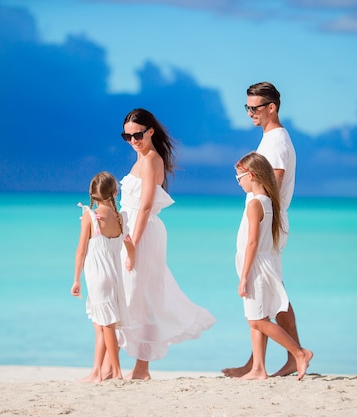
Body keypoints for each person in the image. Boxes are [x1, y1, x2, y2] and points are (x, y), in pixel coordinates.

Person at [118, 108, 216, 380]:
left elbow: (146, 206)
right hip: (129, 232)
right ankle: (119, 365)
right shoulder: (140, 159)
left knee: (143, 296)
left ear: (150, 131)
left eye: (137, 134)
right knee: (129, 296)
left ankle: (141, 368)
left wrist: (132, 246)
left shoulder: (151, 160)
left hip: (143, 233)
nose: (134, 140)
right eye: (127, 137)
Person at [222, 81, 302, 378]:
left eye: (255, 108)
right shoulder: (270, 138)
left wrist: (260, 214)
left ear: (272, 107)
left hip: (267, 221)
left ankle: (294, 354)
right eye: (247, 108)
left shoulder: (277, 141)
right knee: (265, 291)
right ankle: (257, 363)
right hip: (265, 217)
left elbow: (274, 183)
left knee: (269, 290)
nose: (250, 114)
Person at [233, 151, 312, 380]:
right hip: (266, 262)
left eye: (240, 177)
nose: (239, 182)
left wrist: (244, 276)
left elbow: (252, 242)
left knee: (257, 320)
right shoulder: (269, 202)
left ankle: (299, 353)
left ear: (252, 175)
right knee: (258, 316)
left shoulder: (255, 204)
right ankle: (259, 369)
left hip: (257, 265)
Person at [71, 171, 136, 383]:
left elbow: (81, 250)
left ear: (92, 194)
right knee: (99, 324)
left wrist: (76, 279)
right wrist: (131, 261)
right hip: (114, 275)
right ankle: (97, 372)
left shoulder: (89, 217)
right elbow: (129, 244)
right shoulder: (120, 217)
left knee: (106, 324)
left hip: (97, 277)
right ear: (115, 192)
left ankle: (116, 372)